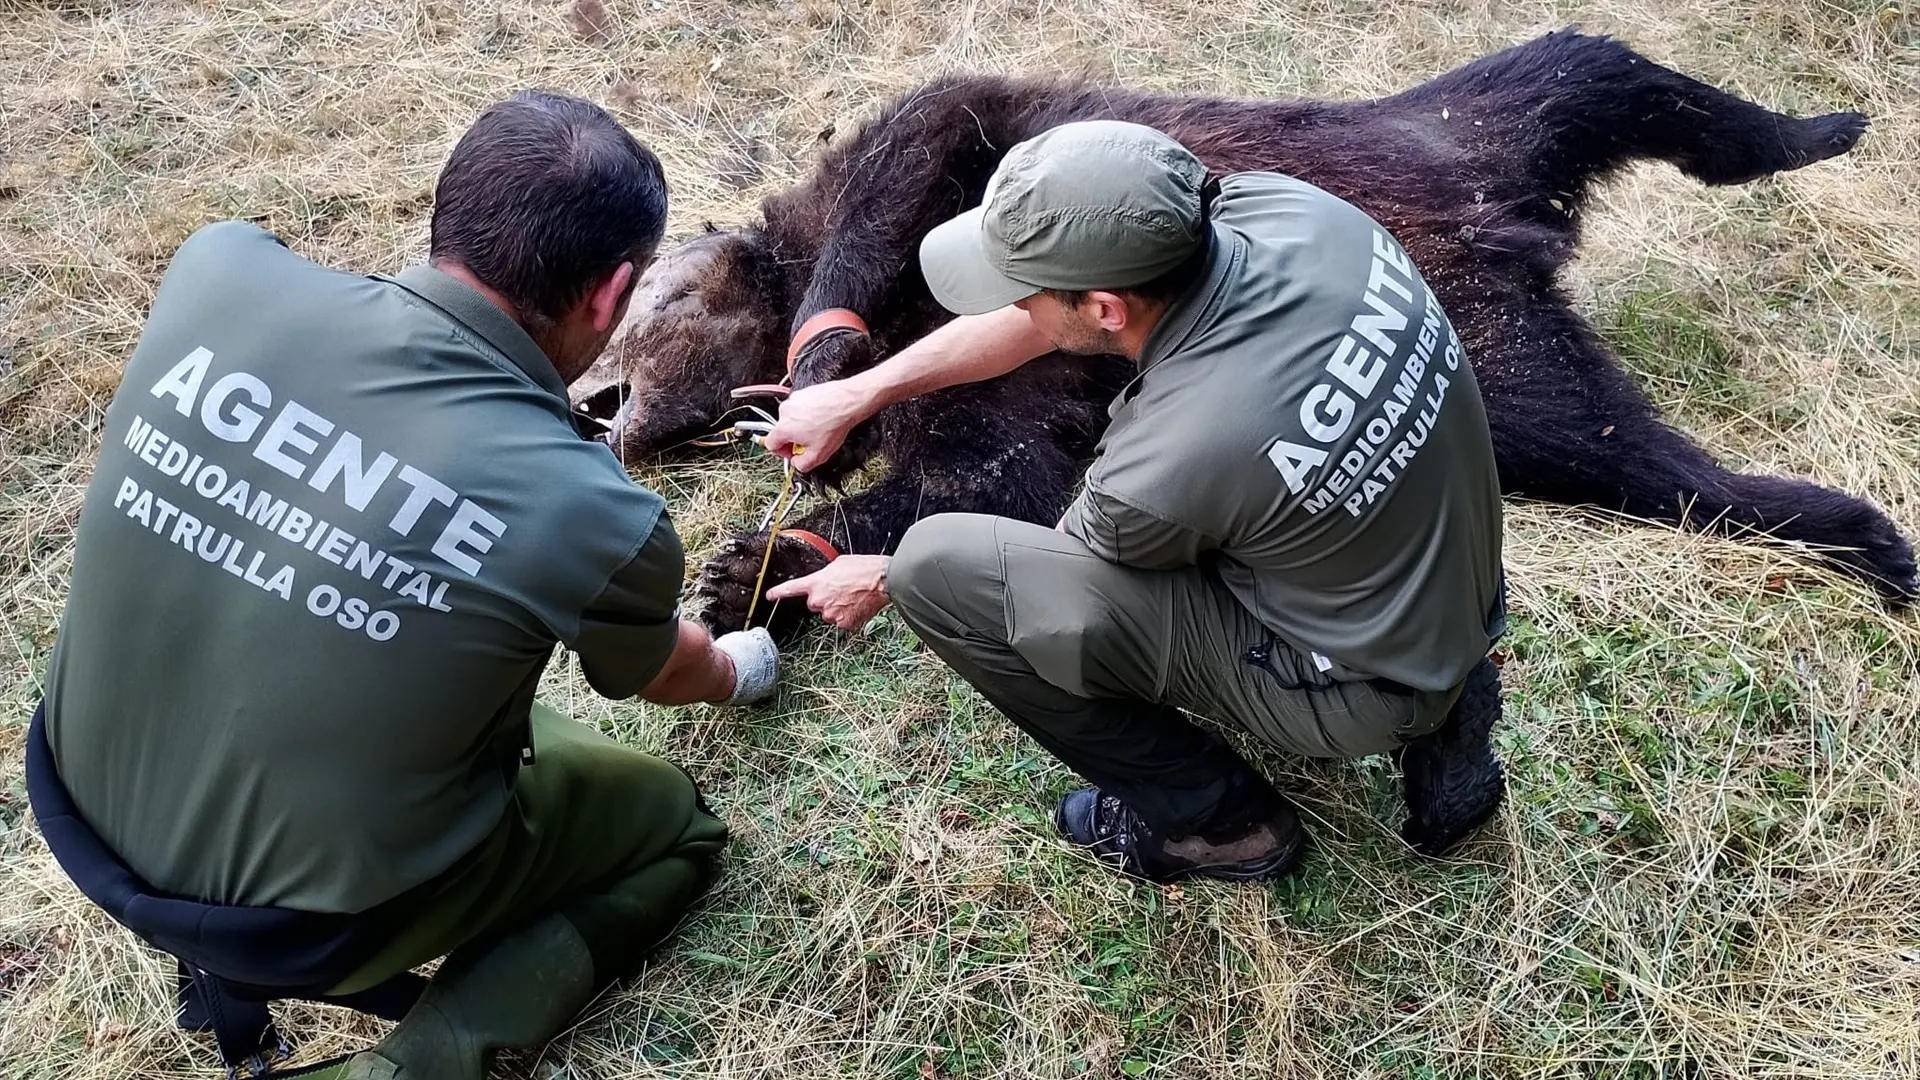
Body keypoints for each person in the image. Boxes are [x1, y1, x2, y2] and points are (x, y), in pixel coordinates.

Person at [26, 91, 782, 1080]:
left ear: (450, 214)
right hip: (311, 919)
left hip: (77, 800)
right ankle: (420, 1063)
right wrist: (739, 667)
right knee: (673, 825)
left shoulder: (218, 267)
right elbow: (660, 673)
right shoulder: (590, 510)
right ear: (610, 296)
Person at [762, 120, 1509, 884]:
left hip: (1358, 684)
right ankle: (1448, 691)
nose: (1015, 307)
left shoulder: (1169, 463)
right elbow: (1043, 325)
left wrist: (883, 575)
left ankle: (1223, 825)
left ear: (1106, 310)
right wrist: (859, 394)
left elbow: (1053, 592)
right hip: (1457, 571)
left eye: (1022, 293)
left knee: (940, 572)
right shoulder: (1287, 211)